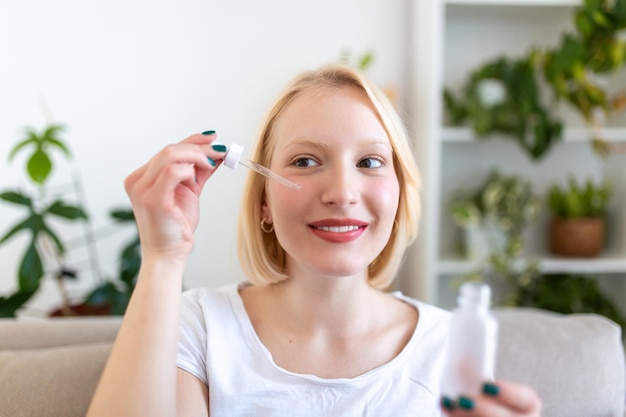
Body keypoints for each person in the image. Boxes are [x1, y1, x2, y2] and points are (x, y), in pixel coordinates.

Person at [86, 64, 542, 417]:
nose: (342, 192)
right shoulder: (202, 327)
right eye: (305, 161)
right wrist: (163, 257)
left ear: (399, 194)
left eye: (369, 162)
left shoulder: (451, 343)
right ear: (264, 203)